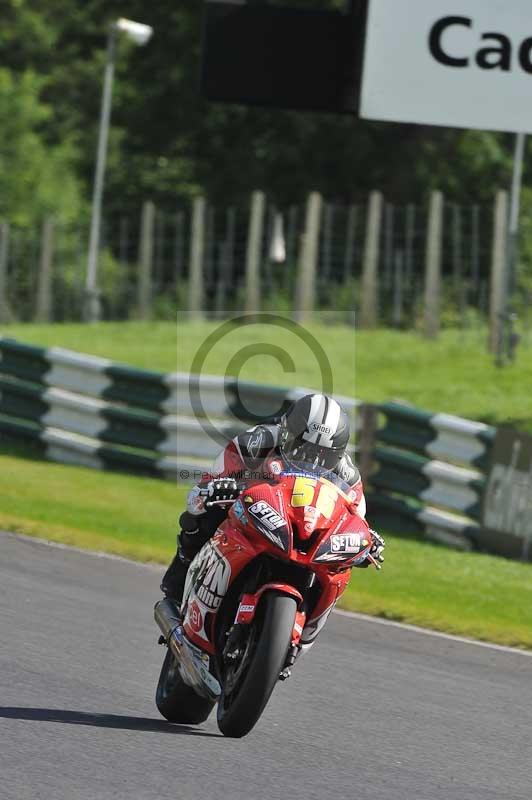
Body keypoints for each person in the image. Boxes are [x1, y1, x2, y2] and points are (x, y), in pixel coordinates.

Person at [161, 393, 385, 603]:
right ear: (286, 432)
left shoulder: (348, 475)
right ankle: (180, 580)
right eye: (302, 446)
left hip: (302, 528)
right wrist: (220, 488)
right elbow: (202, 491)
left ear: (337, 453)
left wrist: (366, 539)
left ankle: (307, 620)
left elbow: (354, 517)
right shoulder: (257, 442)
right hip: (253, 513)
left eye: (322, 454)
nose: (310, 458)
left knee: (340, 565)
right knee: (205, 515)